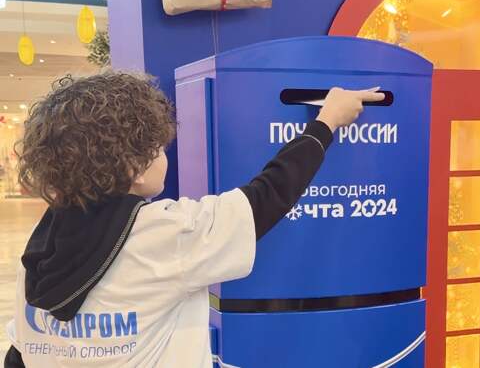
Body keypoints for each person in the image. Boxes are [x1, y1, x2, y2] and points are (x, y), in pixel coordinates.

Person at [4, 71, 384, 367]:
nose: (164, 156)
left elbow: (19, 352)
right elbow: (267, 196)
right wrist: (326, 123)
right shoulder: (165, 233)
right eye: (159, 148)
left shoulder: (41, 245)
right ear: (134, 167)